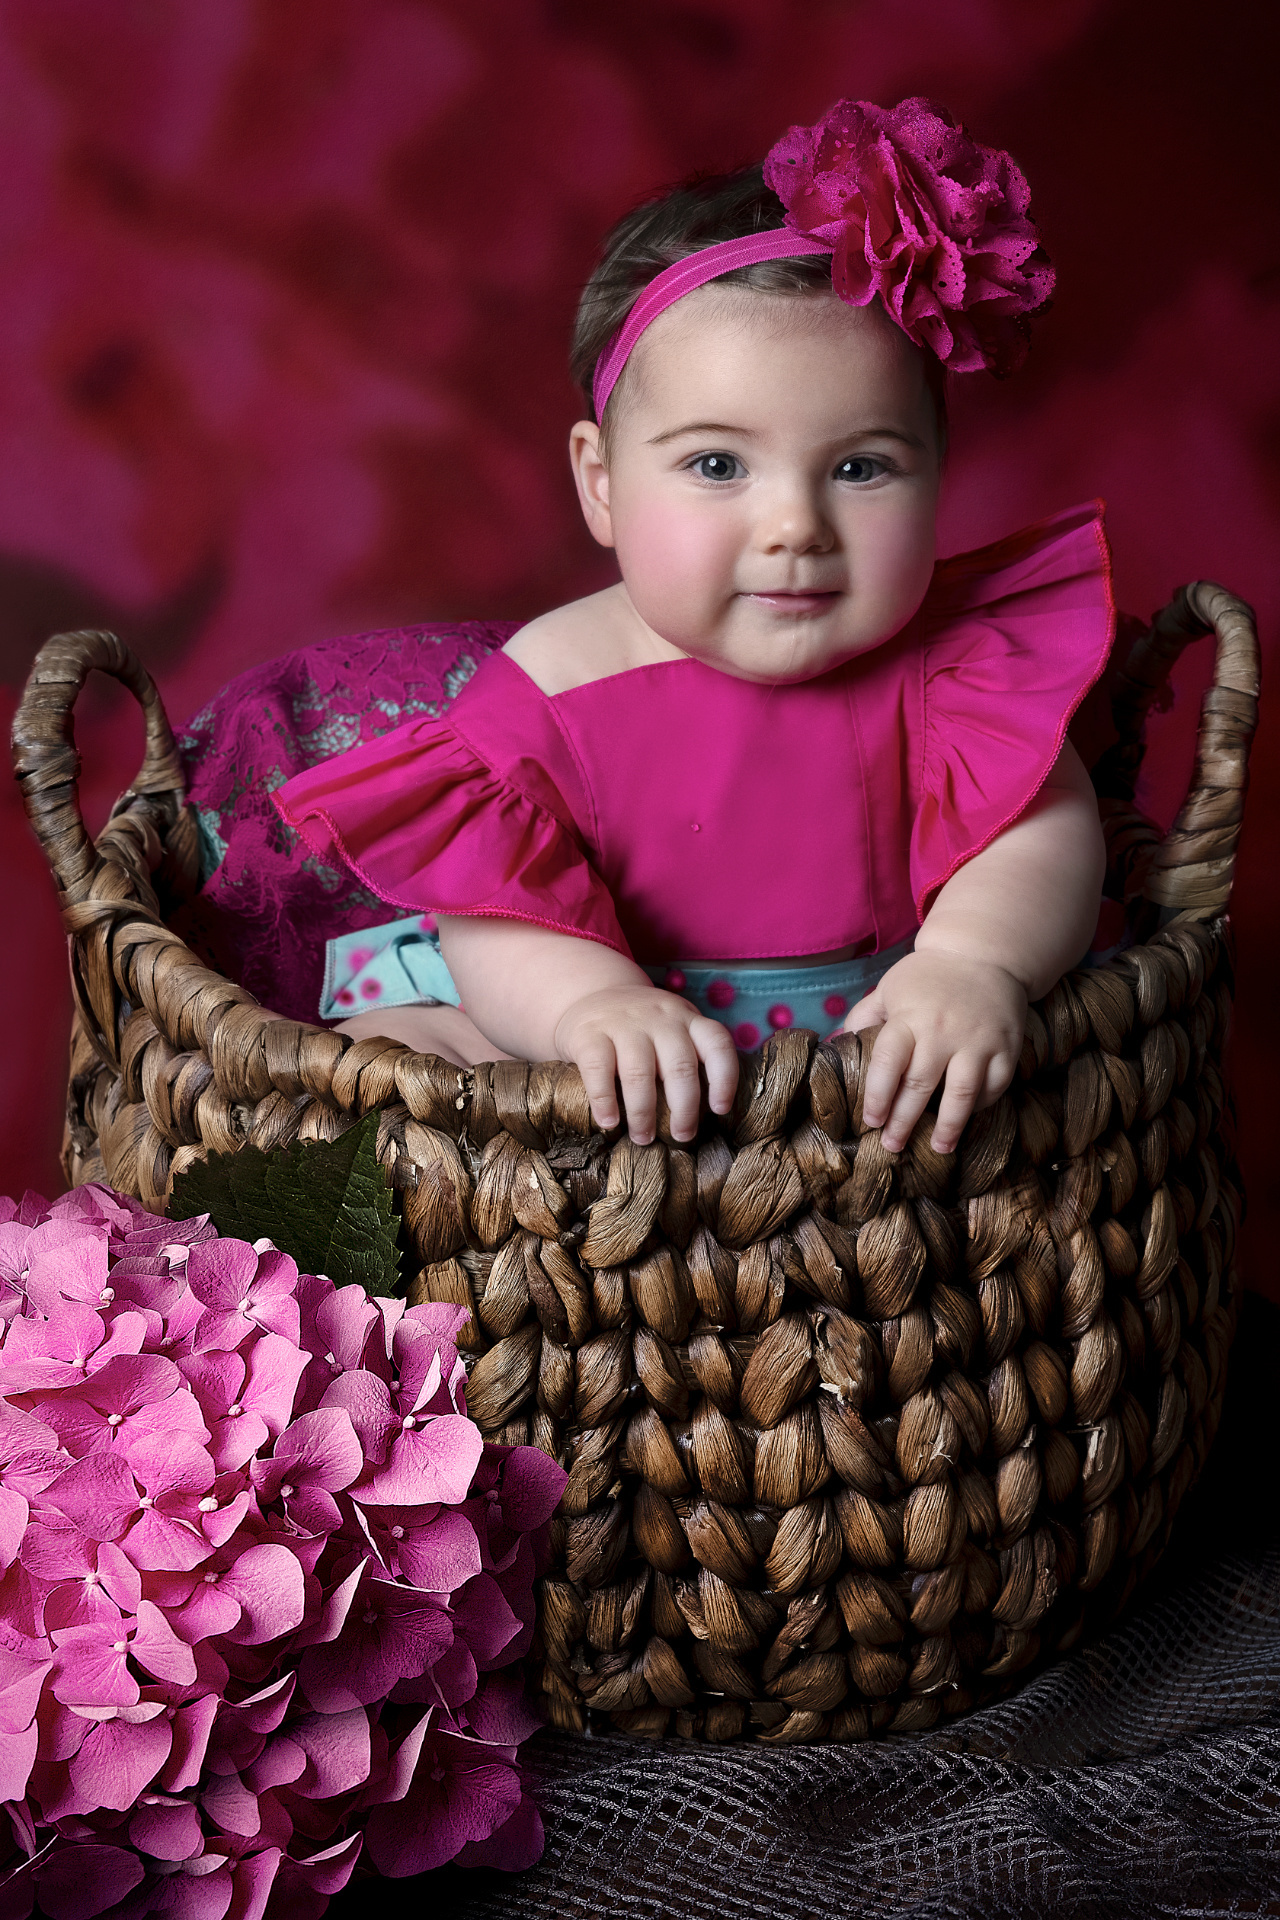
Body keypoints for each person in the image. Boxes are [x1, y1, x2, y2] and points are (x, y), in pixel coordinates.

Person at [275, 97, 1111, 1158]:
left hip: (868, 1037)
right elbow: (495, 909)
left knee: (1023, 1053)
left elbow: (1038, 828)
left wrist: (970, 964)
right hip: (600, 1040)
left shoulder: (954, 669)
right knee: (394, 1058)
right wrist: (590, 1008)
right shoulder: (556, 684)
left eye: (859, 468)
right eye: (716, 466)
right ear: (602, 484)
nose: (794, 528)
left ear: (936, 480)